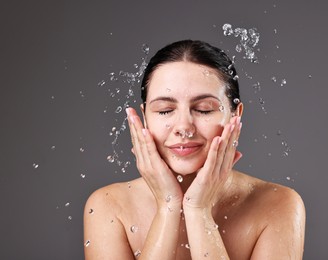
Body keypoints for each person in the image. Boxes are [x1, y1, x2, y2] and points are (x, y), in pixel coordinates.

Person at [84, 40, 305, 259]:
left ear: (236, 115)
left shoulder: (278, 204)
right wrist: (168, 205)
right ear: (144, 118)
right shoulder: (109, 206)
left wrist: (198, 210)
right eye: (164, 110)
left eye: (204, 109)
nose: (183, 127)